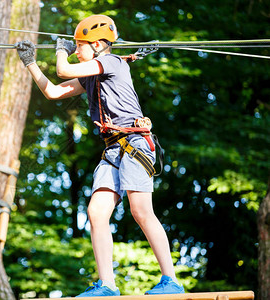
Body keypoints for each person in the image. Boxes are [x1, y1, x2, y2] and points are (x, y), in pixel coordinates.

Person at [15, 14, 185, 297]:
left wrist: (60, 50)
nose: (76, 50)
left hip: (134, 144)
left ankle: (171, 281)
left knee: (140, 211)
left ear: (98, 45)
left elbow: (64, 71)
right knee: (95, 212)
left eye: (79, 45)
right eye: (75, 46)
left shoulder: (111, 61)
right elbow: (55, 91)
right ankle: (107, 285)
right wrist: (30, 63)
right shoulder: (93, 74)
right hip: (113, 150)